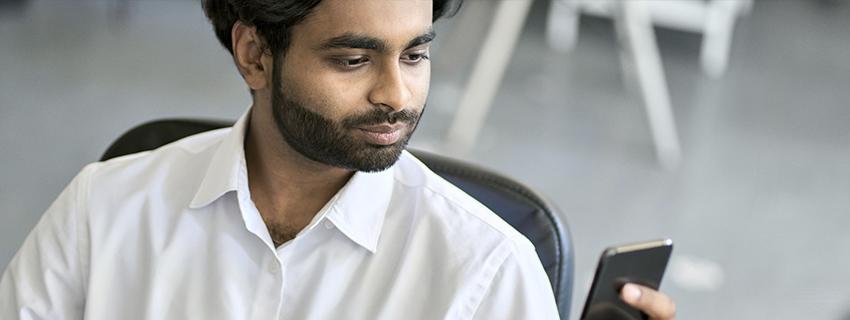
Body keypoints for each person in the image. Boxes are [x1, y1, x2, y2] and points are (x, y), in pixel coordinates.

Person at [0, 0, 675, 319]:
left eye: (415, 53)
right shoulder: (106, 208)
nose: (396, 94)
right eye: (353, 59)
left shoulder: (486, 273)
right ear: (254, 54)